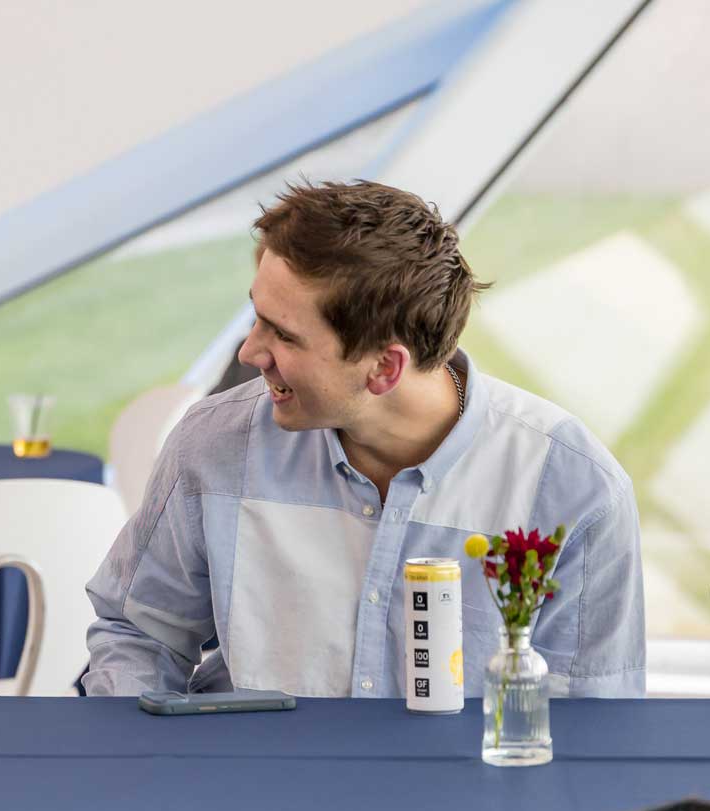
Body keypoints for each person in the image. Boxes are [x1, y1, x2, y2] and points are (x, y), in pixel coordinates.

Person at [84, 180, 644, 699]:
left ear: (384, 369)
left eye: (283, 334)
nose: (249, 353)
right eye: (258, 318)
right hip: (248, 792)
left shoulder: (574, 489)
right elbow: (138, 632)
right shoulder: (215, 444)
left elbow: (590, 722)